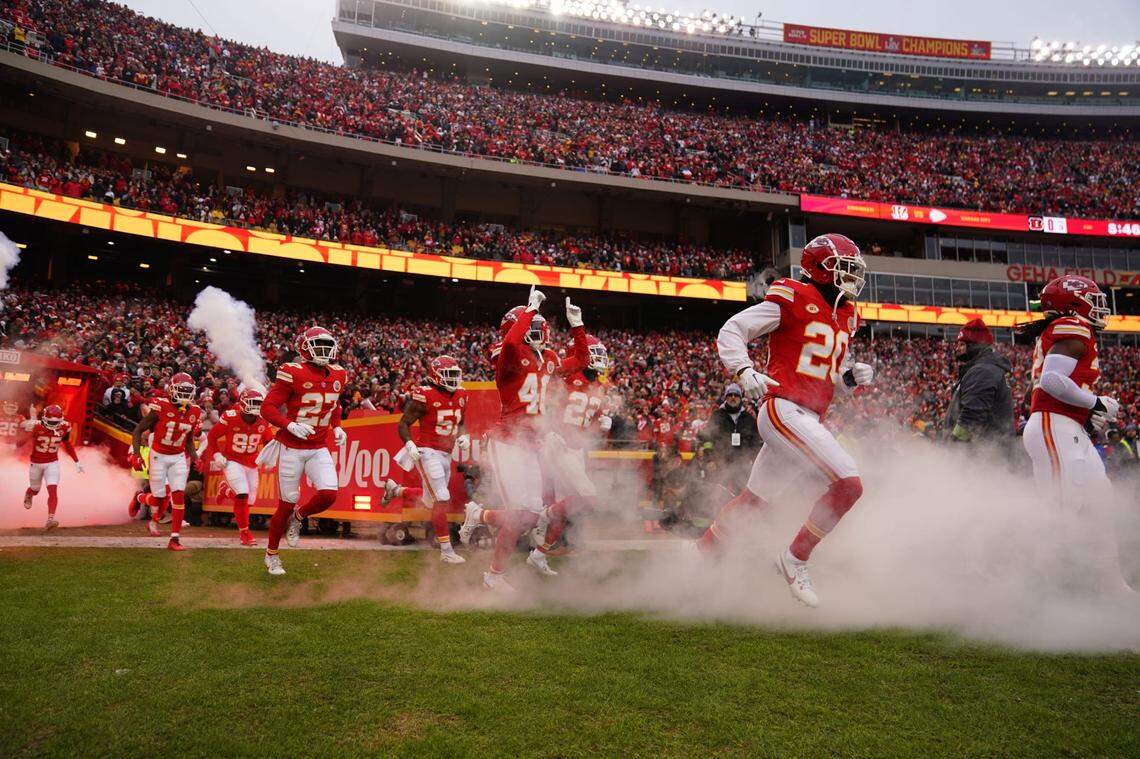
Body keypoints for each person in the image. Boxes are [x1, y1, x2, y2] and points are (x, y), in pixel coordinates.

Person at [694, 233, 874, 608]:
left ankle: (701, 556)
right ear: (819, 269)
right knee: (849, 483)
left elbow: (825, 378)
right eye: (843, 267)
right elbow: (732, 329)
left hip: (807, 412)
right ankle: (795, 558)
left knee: (754, 501)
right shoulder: (793, 296)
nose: (850, 276)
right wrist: (743, 371)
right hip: (783, 407)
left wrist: (847, 380)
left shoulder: (846, 313)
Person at [1018, 275, 1131, 593]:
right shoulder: (1074, 326)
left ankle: (1109, 582)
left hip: (1067, 425)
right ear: (1073, 302)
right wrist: (1095, 402)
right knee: (1060, 508)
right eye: (1092, 299)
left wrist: (1086, 414)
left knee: (1099, 501)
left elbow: (1048, 385)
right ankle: (1039, 586)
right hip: (1054, 424)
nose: (1099, 307)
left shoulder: (1072, 330)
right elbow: (1052, 382)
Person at [458, 287, 562, 592]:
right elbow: (511, 345)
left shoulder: (544, 356)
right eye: (531, 326)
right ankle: (494, 575)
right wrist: (529, 309)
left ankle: (479, 514)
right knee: (518, 514)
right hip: (507, 443)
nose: (538, 332)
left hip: (530, 444)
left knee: (529, 515)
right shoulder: (506, 351)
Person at [258, 326, 348, 576]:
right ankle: (272, 555)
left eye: (327, 346)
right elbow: (268, 408)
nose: (324, 351)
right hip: (291, 447)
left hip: (318, 446)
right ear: (304, 348)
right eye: (318, 346)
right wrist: (289, 424)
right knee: (285, 504)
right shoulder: (291, 372)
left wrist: (337, 427)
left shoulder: (339, 374)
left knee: (329, 494)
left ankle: (300, 517)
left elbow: (334, 404)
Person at [529, 323, 606, 572]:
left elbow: (589, 419)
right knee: (589, 497)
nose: (600, 360)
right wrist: (550, 430)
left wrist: (602, 421)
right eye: (595, 354)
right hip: (559, 443)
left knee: (566, 507)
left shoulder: (599, 387)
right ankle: (546, 513)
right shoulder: (566, 376)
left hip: (576, 449)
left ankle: (539, 555)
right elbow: (545, 403)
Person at [384, 355, 471, 564]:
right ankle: (446, 551)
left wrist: (463, 435)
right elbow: (403, 423)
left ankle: (396, 490)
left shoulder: (461, 395)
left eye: (454, 375)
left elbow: (460, 422)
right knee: (441, 498)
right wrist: (409, 443)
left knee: (429, 500)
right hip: (427, 452)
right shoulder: (425, 395)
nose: (452, 379)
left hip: (445, 453)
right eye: (448, 375)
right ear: (435, 376)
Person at [130, 373, 202, 551]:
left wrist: (195, 457)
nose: (185, 395)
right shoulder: (160, 406)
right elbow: (138, 430)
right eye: (181, 391)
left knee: (178, 495)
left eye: (188, 391)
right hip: (158, 456)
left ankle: (174, 539)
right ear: (172, 389)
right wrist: (137, 455)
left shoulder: (194, 411)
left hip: (177, 457)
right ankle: (140, 497)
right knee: (158, 500)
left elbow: (189, 440)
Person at [198, 388, 271, 546]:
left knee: (249, 501)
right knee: (243, 495)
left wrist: (269, 457)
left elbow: (269, 442)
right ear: (243, 403)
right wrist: (217, 454)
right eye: (253, 404)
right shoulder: (231, 416)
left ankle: (226, 490)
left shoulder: (263, 420)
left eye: (259, 404)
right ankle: (244, 533)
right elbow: (212, 436)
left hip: (251, 463)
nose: (257, 408)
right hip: (233, 461)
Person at [943, 318, 1014, 444]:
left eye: (962, 344)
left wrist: (953, 447)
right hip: (988, 451)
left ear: (975, 345)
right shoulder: (986, 368)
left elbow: (971, 417)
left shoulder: (982, 371)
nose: (957, 348)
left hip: (983, 454)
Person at [21, 404, 83, 530]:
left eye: (56, 422)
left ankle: (50, 519)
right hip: (36, 463)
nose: (53, 424)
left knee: (53, 490)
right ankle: (29, 493)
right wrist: (27, 428)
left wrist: (77, 461)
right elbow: (21, 442)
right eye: (50, 421)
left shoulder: (65, 427)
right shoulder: (36, 426)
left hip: (52, 463)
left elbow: (67, 444)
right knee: (35, 489)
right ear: (44, 418)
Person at [696, 383, 761, 494]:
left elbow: (754, 442)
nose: (733, 397)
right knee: (718, 495)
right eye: (730, 395)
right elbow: (707, 439)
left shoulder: (748, 418)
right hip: (719, 463)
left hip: (741, 465)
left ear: (740, 398)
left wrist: (753, 460)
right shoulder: (717, 415)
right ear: (725, 398)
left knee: (741, 495)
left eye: (736, 395)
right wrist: (709, 459)